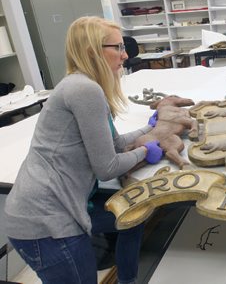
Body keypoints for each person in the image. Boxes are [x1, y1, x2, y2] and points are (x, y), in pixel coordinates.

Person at [3, 16, 163, 284]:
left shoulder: (83, 85)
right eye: (118, 48)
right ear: (92, 51)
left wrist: (147, 130)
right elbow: (107, 167)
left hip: (58, 208)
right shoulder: (84, 90)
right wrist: (146, 152)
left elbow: (115, 144)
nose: (125, 56)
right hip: (45, 222)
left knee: (132, 218)